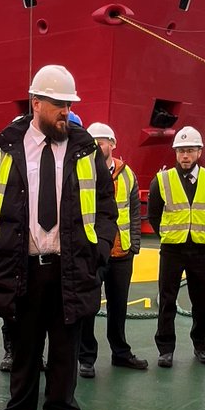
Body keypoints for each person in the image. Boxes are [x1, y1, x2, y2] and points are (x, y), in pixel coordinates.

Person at [0, 64, 117, 410]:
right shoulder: (5, 146)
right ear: (36, 102)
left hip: (71, 267)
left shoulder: (84, 148)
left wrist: (100, 248)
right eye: (58, 104)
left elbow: (106, 204)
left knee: (66, 352)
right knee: (24, 349)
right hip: (23, 267)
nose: (65, 112)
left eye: (69, 105)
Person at [148, 125, 205, 369]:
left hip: (201, 250)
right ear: (175, 153)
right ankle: (166, 349)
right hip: (172, 249)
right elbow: (154, 215)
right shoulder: (162, 180)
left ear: (200, 152)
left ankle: (202, 346)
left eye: (190, 150)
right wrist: (169, 234)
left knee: (202, 300)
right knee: (167, 300)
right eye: (180, 151)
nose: (185, 156)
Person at [79, 122, 147, 377]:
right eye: (94, 141)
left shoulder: (127, 174)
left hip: (121, 253)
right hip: (94, 253)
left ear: (113, 144)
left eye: (103, 141)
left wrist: (135, 245)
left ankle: (120, 352)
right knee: (89, 307)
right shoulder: (83, 171)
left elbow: (134, 213)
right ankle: (86, 357)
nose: (98, 145)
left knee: (119, 307)